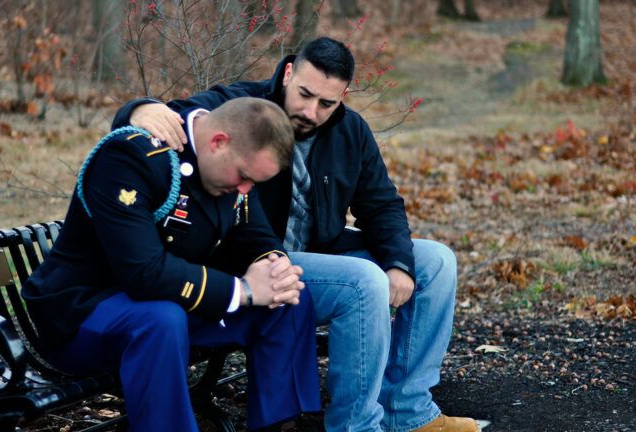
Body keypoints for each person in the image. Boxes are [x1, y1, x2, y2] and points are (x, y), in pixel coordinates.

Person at [112, 38, 479, 432]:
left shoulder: (350, 131)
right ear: (288, 73)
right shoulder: (247, 108)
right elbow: (183, 121)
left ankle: (406, 411)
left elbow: (382, 205)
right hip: (252, 262)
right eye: (305, 94)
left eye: (327, 103)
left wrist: (399, 264)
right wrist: (140, 108)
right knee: (363, 281)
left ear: (344, 96)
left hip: (322, 253)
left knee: (436, 262)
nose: (311, 111)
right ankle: (355, 426)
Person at [22, 97, 321, 432]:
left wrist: (275, 268)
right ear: (218, 141)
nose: (245, 189)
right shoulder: (130, 157)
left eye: (253, 183)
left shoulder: (231, 168)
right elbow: (143, 273)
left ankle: (278, 424)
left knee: (289, 301)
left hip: (172, 303)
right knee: (160, 320)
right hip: (87, 311)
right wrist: (246, 290)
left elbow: (254, 233)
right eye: (243, 178)